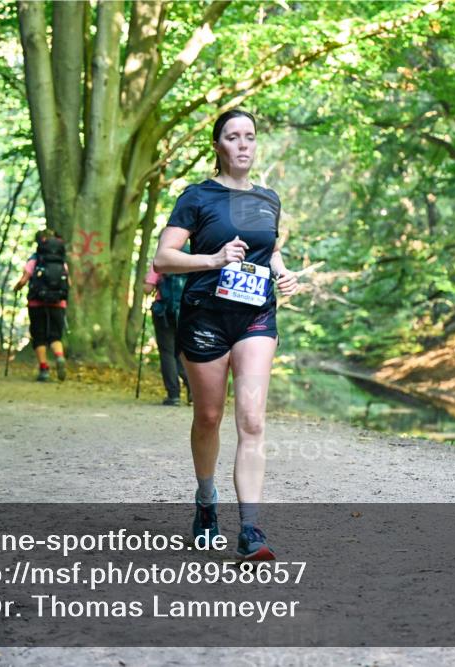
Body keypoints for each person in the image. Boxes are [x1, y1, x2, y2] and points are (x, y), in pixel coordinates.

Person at [153, 109, 299, 561]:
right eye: (233, 137)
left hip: (255, 316)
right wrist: (213, 260)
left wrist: (282, 271)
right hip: (205, 317)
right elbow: (163, 258)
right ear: (218, 145)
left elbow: (269, 250)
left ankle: (251, 529)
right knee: (209, 418)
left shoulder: (269, 199)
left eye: (250, 137)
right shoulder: (197, 197)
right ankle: (205, 503)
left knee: (252, 420)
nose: (243, 145)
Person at [13, 230, 69, 382]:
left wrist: (16, 288)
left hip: (37, 303)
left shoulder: (34, 260)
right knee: (55, 335)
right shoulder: (61, 261)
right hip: (58, 303)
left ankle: (44, 369)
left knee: (39, 336)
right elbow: (67, 283)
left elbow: (24, 280)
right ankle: (59, 356)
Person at [144, 262, 191, 406]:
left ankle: (173, 395)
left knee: (167, 352)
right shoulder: (191, 258)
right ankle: (194, 393)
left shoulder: (160, 260)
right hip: (187, 312)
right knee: (184, 352)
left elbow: (147, 288)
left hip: (164, 312)